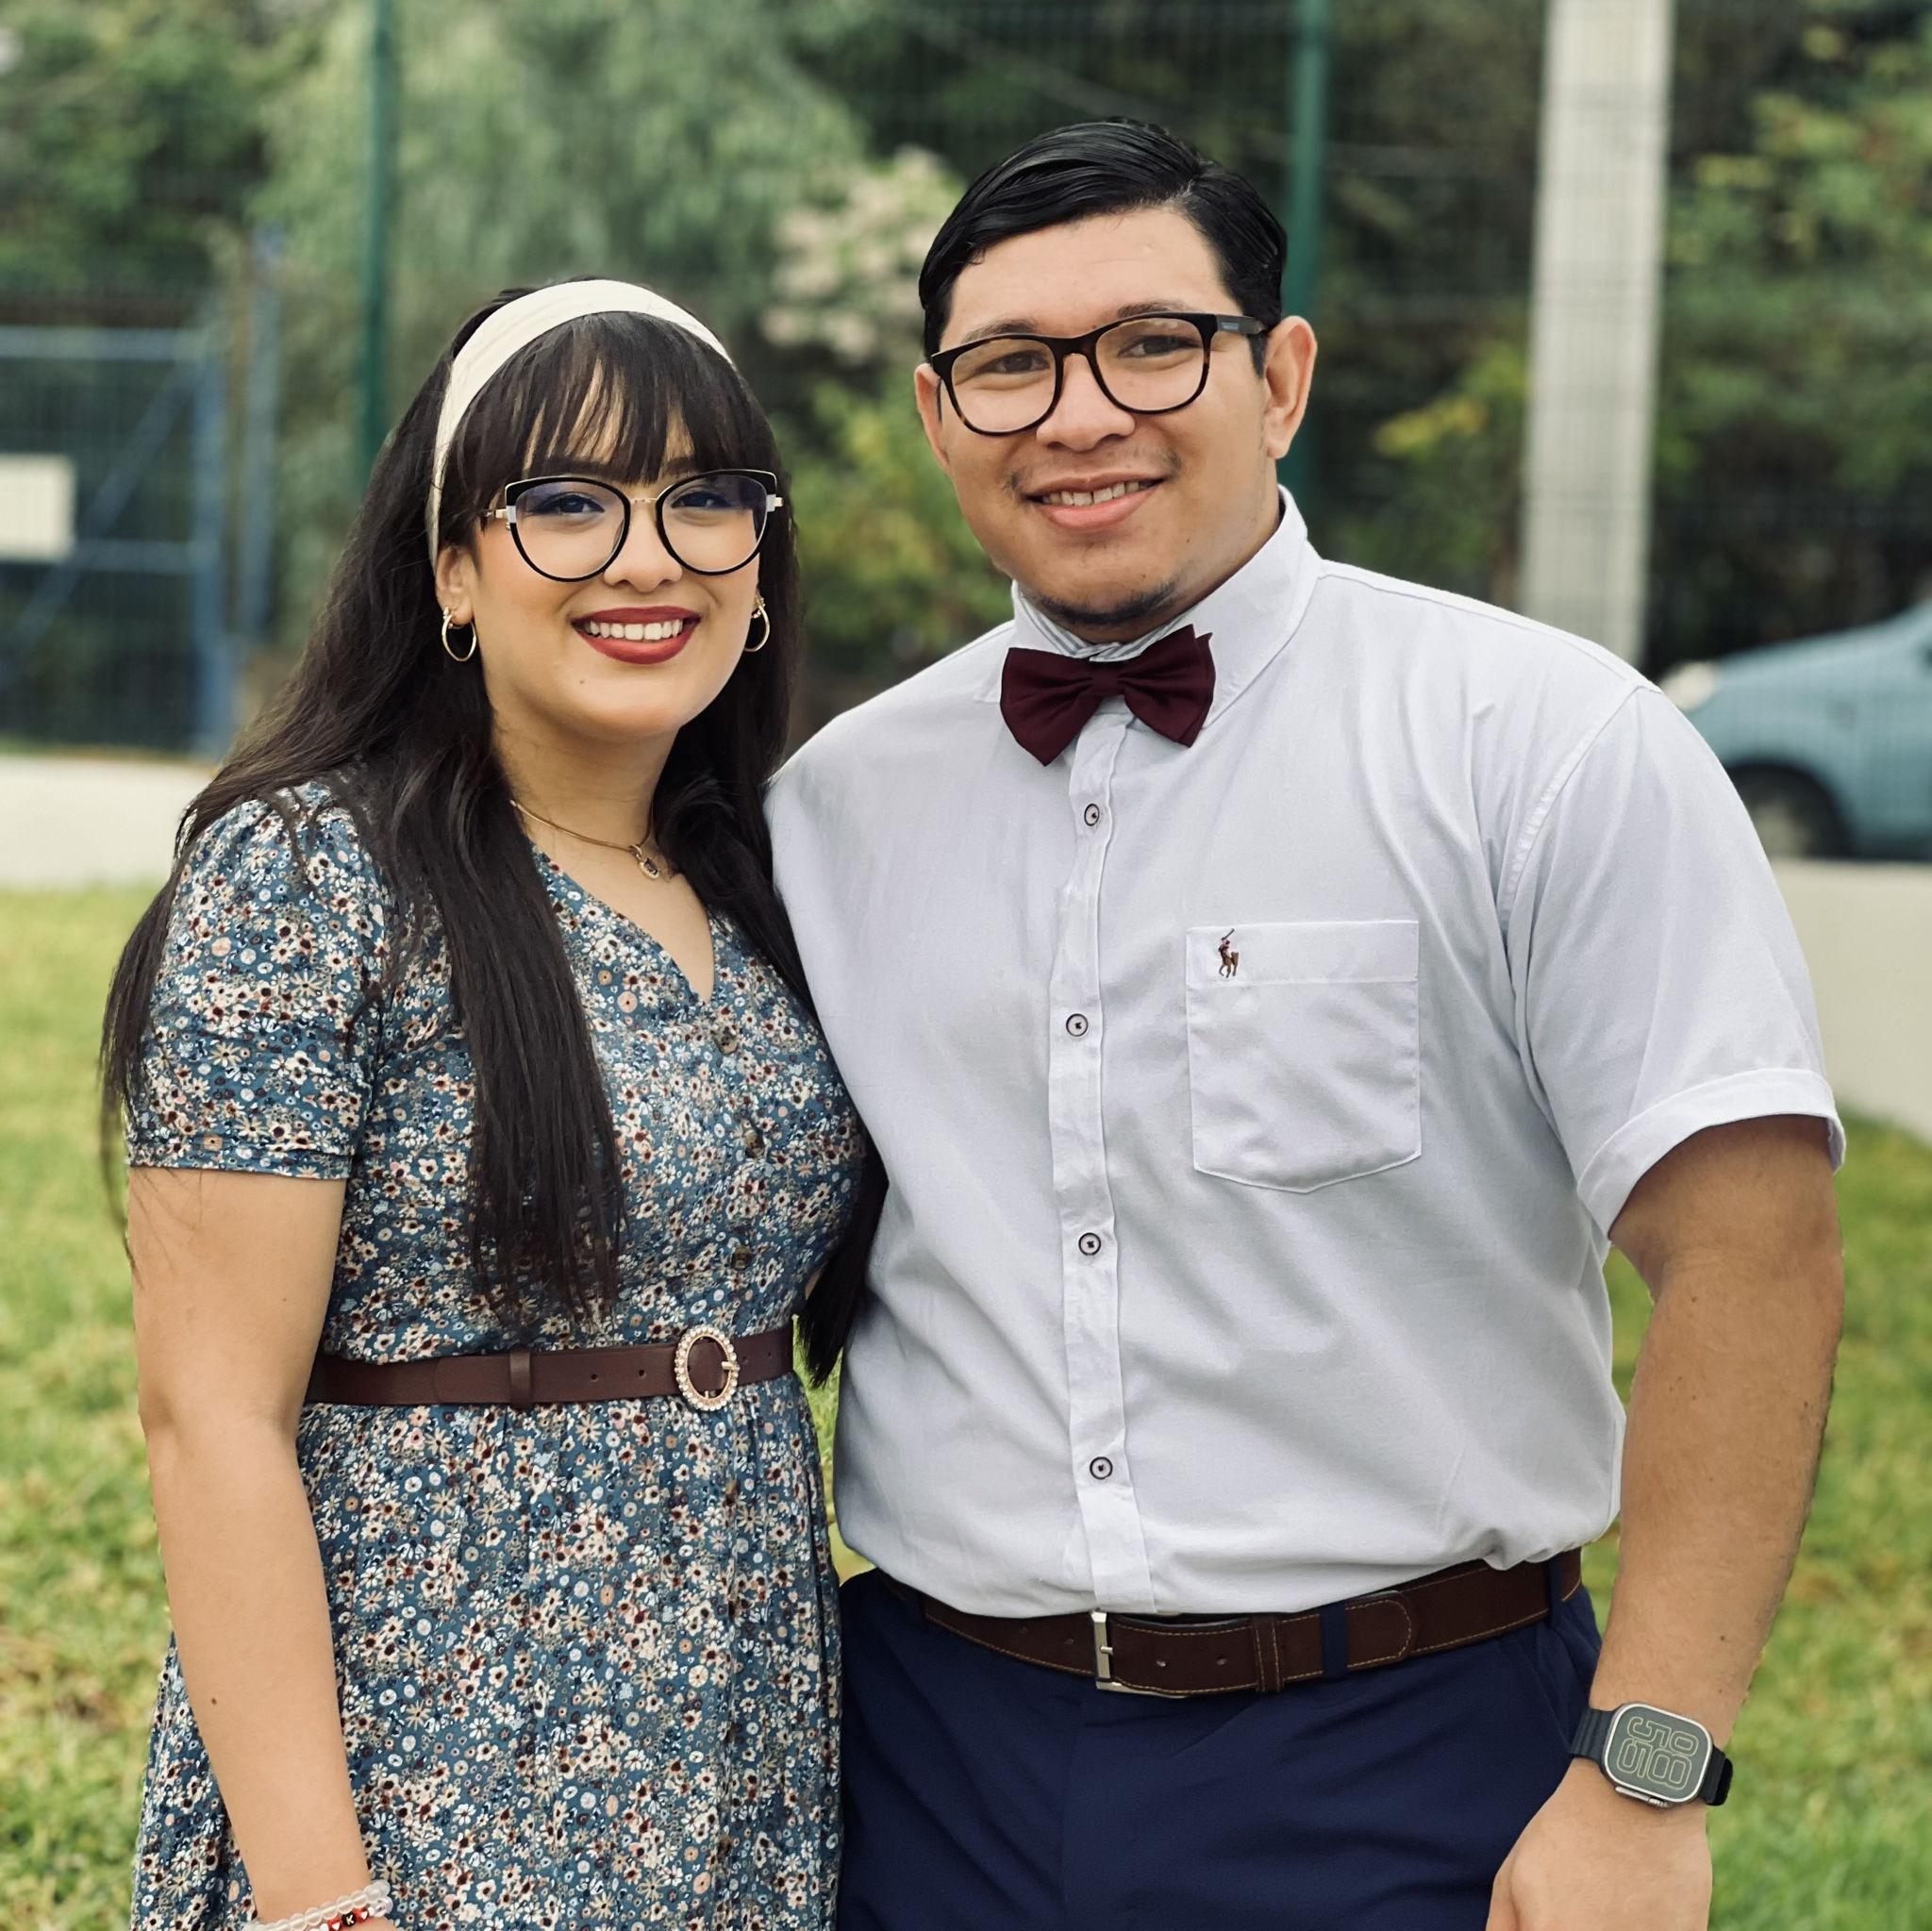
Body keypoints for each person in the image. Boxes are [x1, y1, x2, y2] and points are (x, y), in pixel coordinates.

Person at [765, 122, 1846, 1931]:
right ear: (942, 418)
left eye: (1151, 346)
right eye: (1011, 365)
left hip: (1412, 1754)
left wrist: (1644, 1779)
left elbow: (1756, 1256)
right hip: (928, 1762)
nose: (1079, 414)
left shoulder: (1542, 746)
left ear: (1279, 379)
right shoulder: (831, 809)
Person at [104, 279, 865, 1931]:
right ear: (454, 568)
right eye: (568, 504)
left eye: (704, 500)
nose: (648, 558)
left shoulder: (767, 878)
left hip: (740, 1743)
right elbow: (210, 1417)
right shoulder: (310, 875)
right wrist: (321, 1896)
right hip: (432, 1750)